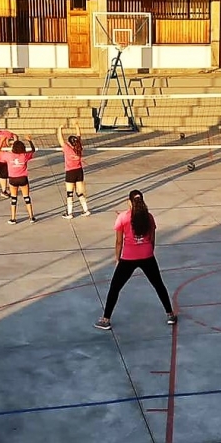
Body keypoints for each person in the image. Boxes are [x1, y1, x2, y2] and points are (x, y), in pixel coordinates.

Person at [95, 190, 177, 330]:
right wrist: (149, 251)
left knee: (115, 287)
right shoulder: (149, 217)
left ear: (129, 202)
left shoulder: (123, 217)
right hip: (147, 256)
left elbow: (119, 241)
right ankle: (170, 315)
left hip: (128, 257)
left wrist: (117, 258)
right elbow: (152, 238)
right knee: (158, 285)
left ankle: (105, 319)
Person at [0, 136, 37, 225]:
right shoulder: (24, 156)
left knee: (14, 199)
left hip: (13, 179)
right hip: (23, 178)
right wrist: (30, 140)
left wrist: (2, 141)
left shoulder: (9, 155)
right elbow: (33, 150)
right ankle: (31, 217)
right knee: (27, 198)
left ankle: (13, 218)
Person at [57, 121, 91, 219]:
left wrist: (60, 128)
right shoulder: (79, 147)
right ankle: (86, 210)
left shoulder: (67, 148)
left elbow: (60, 139)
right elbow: (79, 136)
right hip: (79, 171)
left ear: (70, 142)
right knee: (80, 192)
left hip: (70, 172)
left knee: (69, 193)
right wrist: (77, 125)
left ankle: (69, 213)